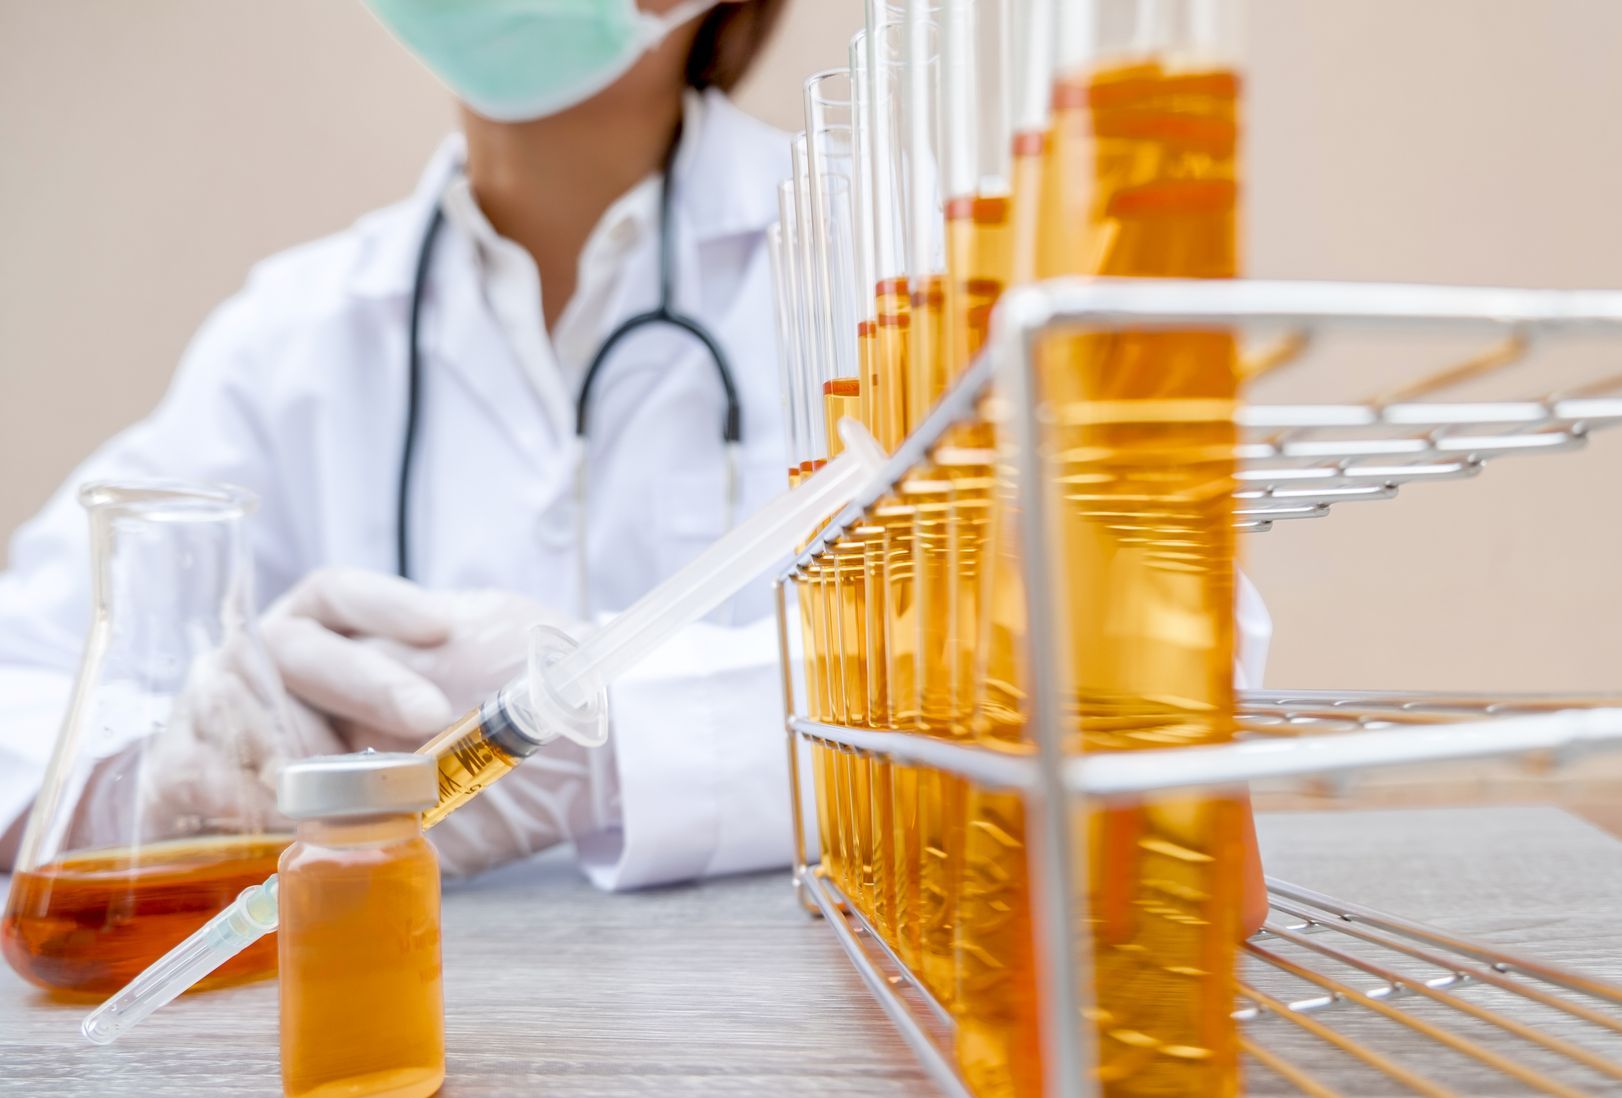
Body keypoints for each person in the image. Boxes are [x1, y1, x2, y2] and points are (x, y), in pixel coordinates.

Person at [0, 0, 1273, 894]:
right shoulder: (291, 337)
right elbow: (22, 674)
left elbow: (1172, 644)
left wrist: (615, 746)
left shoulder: (909, 260)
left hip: (832, 1061)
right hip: (416, 1079)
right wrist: (151, 780)